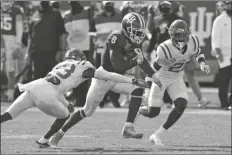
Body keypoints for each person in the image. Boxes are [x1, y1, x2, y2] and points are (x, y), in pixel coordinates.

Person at [45, 12, 162, 148]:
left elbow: (140, 60)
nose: (139, 35)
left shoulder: (134, 41)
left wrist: (154, 76)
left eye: (140, 32)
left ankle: (128, 128)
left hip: (118, 79)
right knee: (87, 111)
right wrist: (135, 60)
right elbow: (118, 65)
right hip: (103, 77)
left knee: (138, 90)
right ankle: (59, 133)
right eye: (135, 31)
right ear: (126, 28)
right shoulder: (117, 37)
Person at [1, 48, 147, 147]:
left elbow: (55, 88)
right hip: (47, 93)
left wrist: (66, 102)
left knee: (8, 114)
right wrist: (132, 80)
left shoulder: (60, 65)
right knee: (64, 116)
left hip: (33, 86)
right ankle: (43, 141)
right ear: (81, 58)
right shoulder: (83, 65)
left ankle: (44, 141)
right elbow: (108, 75)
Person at [139, 19, 210, 146]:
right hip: (161, 78)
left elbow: (198, 52)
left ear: (188, 33)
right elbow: (152, 70)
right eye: (178, 35)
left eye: (184, 35)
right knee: (153, 113)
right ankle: (140, 109)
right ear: (171, 34)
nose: (182, 39)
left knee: (181, 105)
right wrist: (147, 90)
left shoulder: (193, 40)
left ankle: (157, 135)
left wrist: (202, 63)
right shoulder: (164, 48)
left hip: (177, 77)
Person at [63, 1, 95, 107]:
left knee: (84, 76)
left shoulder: (87, 12)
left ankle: (83, 99)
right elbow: (67, 33)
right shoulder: (67, 15)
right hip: (74, 51)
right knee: (76, 76)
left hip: (85, 49)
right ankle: (79, 99)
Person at [91, 1, 123, 108]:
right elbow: (91, 34)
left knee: (116, 76)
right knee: (101, 76)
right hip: (100, 50)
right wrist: (102, 36)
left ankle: (114, 99)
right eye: (107, 5)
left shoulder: (120, 17)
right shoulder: (96, 17)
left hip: (116, 51)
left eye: (110, 5)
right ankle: (101, 100)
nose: (108, 7)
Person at [26, 1, 66, 80]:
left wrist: (61, 51)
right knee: (38, 80)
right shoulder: (34, 18)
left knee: (53, 80)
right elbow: (30, 38)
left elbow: (62, 34)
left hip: (52, 54)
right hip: (36, 55)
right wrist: (28, 54)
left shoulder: (56, 15)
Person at [1, 1, 24, 101]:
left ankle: (10, 94)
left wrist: (18, 44)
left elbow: (19, 27)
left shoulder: (16, 10)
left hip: (10, 40)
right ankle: (9, 94)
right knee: (10, 69)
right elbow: (19, 27)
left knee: (10, 69)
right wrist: (18, 43)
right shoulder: (16, 10)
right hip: (9, 39)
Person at [211, 1, 231, 110]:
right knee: (224, 80)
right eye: (228, 4)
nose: (229, 6)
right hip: (225, 55)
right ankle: (224, 103)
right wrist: (218, 53)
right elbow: (215, 38)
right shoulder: (219, 20)